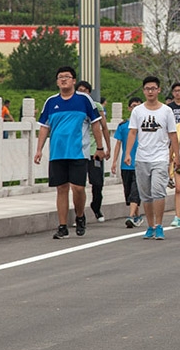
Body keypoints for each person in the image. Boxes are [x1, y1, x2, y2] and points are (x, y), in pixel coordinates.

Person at [34, 66, 107, 239]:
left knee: (78, 188)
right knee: (61, 188)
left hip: (78, 152)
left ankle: (80, 216)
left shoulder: (84, 100)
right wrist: (39, 150)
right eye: (60, 77)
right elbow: (45, 127)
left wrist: (100, 147)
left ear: (74, 80)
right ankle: (62, 226)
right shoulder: (51, 102)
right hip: (57, 153)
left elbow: (96, 124)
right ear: (57, 81)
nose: (63, 80)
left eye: (67, 77)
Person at [125, 75, 178, 240]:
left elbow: (173, 134)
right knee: (146, 194)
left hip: (160, 157)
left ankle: (160, 225)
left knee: (158, 191)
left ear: (159, 90)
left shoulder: (166, 111)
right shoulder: (138, 111)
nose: (150, 91)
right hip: (142, 157)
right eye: (147, 89)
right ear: (143, 90)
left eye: (153, 88)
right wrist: (127, 153)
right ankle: (150, 226)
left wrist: (175, 156)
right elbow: (132, 132)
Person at [76, 80, 111, 222]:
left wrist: (106, 147)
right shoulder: (74, 108)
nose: (82, 93)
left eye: (85, 90)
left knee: (97, 183)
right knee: (78, 185)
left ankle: (96, 207)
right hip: (78, 152)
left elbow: (104, 127)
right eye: (79, 90)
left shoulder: (96, 106)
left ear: (89, 93)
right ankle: (80, 214)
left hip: (95, 151)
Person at [111, 96, 145, 228]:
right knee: (128, 192)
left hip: (141, 163)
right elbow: (118, 144)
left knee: (135, 191)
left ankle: (130, 216)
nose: (135, 108)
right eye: (133, 106)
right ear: (129, 108)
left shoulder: (145, 126)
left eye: (138, 105)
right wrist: (114, 161)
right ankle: (137, 216)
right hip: (126, 165)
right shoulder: (123, 126)